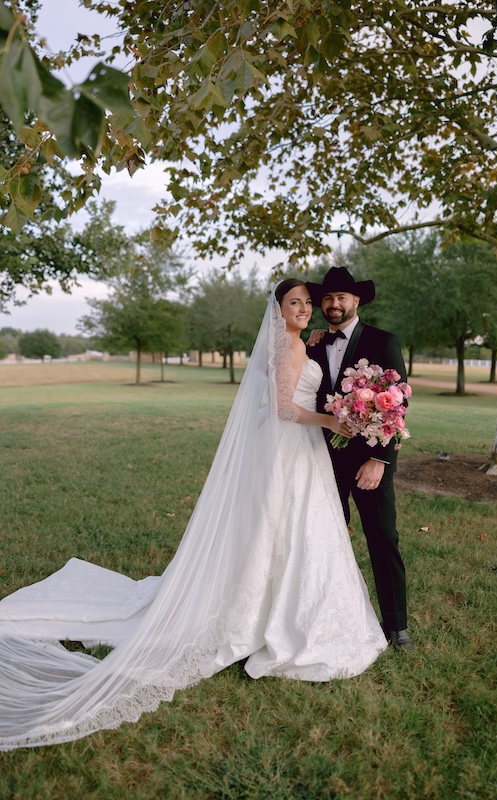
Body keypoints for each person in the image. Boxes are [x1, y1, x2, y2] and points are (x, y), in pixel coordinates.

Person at [0, 279, 387, 751]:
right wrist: (331, 420)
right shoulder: (287, 345)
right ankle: (268, 615)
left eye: (308, 302)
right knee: (286, 527)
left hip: (297, 451)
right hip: (289, 446)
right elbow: (285, 408)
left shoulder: (298, 342)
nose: (305, 308)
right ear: (279, 308)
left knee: (295, 528)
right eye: (295, 303)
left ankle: (280, 606)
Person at [305, 267, 414, 651]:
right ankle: (323, 620)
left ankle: (397, 627)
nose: (334, 304)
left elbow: (398, 403)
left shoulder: (383, 341)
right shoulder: (311, 344)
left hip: (368, 461)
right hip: (319, 459)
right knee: (322, 540)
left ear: (356, 301)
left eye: (341, 298)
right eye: (328, 298)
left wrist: (379, 460)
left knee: (383, 538)